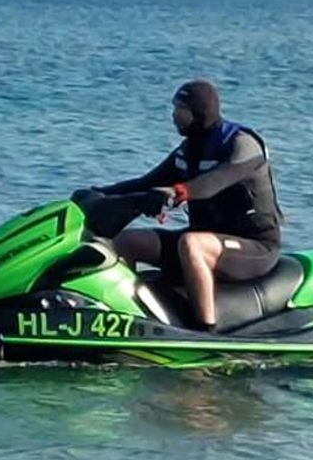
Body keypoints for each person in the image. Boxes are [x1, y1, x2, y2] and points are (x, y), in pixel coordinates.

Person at [96, 80, 283, 332]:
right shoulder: (189, 150)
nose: (173, 115)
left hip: (255, 246)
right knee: (125, 242)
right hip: (210, 241)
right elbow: (147, 182)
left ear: (198, 112)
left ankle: (206, 330)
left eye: (179, 109)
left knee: (192, 243)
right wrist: (98, 194)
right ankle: (129, 318)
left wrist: (178, 191)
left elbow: (214, 182)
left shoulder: (242, 145)